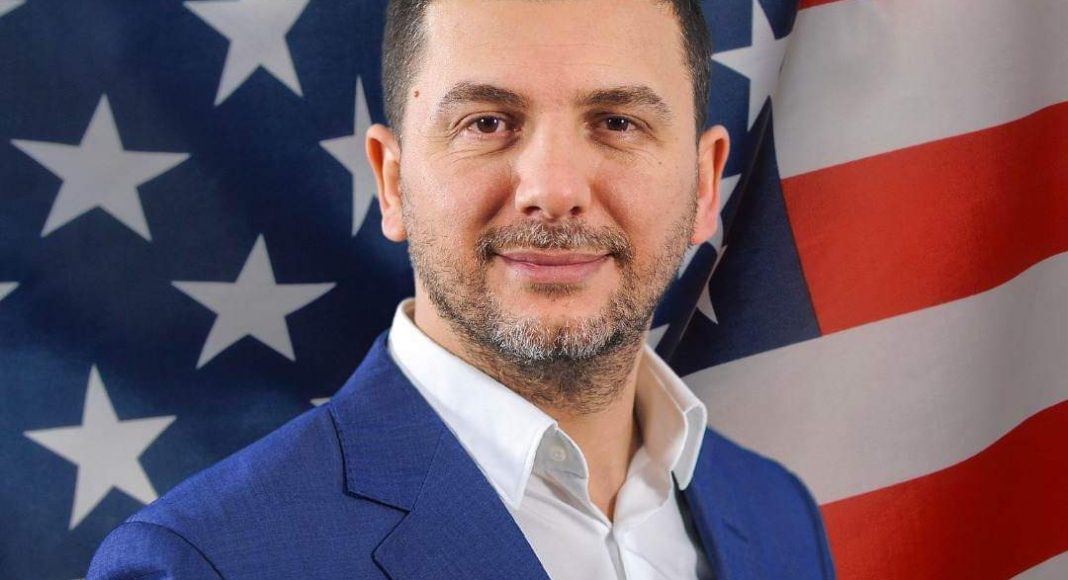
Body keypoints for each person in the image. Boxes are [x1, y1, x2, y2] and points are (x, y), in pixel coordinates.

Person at [89, 0, 835, 578]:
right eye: (487, 122)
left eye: (617, 122)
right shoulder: (202, 562)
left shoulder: (778, 520)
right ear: (393, 183)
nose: (553, 190)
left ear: (704, 186)